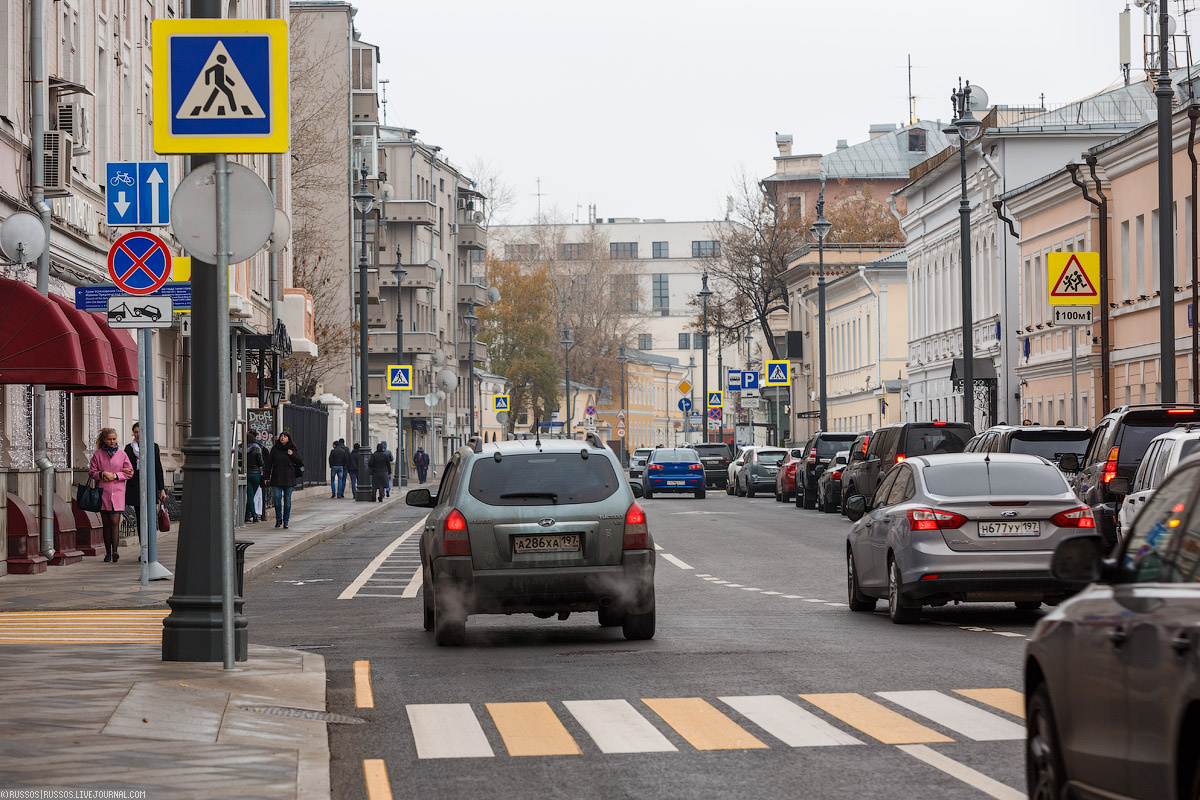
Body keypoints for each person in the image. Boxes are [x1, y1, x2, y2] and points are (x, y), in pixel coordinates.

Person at [90, 427, 133, 562]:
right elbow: (92, 472)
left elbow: (130, 472)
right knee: (106, 523)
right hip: (103, 492)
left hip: (118, 492)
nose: (112, 441)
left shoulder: (122, 454)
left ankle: (115, 551)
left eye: (114, 439)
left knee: (115, 522)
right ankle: (107, 552)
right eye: (109, 439)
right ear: (104, 440)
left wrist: (115, 475)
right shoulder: (98, 454)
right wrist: (102, 474)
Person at [123, 422, 166, 546]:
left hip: (150, 485)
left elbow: (158, 468)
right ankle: (144, 547)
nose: (137, 434)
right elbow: (125, 465)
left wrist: (162, 489)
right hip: (135, 486)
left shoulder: (153, 447)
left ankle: (151, 547)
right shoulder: (128, 448)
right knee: (140, 517)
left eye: (140, 432)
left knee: (150, 517)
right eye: (135, 432)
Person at [263, 431, 302, 529]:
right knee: (277, 498)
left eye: (285, 436)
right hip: (276, 477)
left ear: (288, 438)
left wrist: (292, 454)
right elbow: (269, 463)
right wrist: (266, 477)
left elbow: (299, 461)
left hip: (289, 478)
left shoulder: (292, 448)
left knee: (287, 500)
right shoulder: (275, 449)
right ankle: (278, 519)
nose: (282, 438)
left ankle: (286, 521)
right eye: (281, 436)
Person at [244, 431, 265, 523]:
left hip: (246, 473)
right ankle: (254, 514)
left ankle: (247, 515)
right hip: (256, 474)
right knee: (251, 496)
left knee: (250, 495)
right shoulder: (257, 448)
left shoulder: (240, 448)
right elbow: (260, 463)